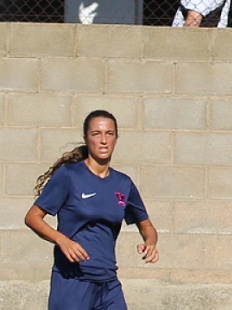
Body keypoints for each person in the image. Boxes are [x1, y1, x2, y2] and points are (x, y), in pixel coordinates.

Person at [24, 110, 159, 310]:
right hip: (73, 281)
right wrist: (62, 240)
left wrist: (150, 243)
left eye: (109, 134)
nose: (103, 140)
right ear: (87, 138)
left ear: (116, 138)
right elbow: (32, 217)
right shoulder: (69, 176)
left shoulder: (123, 183)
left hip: (108, 283)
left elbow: (147, 226)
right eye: (96, 134)